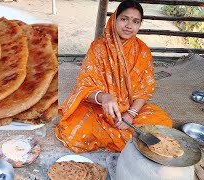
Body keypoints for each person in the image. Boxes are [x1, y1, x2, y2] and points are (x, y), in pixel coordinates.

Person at [56, 0, 172, 153]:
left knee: (163, 121)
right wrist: (104, 97)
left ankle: (114, 133)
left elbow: (145, 90)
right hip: (98, 109)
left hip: (130, 110)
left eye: (135, 21)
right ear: (115, 19)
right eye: (124, 19)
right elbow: (84, 87)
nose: (129, 25)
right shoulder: (98, 47)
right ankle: (120, 136)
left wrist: (130, 114)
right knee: (72, 131)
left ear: (139, 25)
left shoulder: (142, 51)